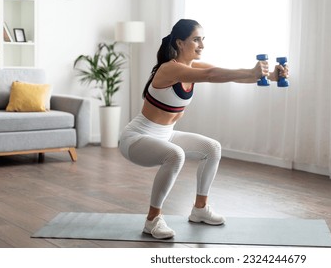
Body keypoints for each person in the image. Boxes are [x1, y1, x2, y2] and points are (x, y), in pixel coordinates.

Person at [119, 19, 288, 239]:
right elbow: (212, 76)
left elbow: (226, 74)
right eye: (196, 39)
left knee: (212, 148)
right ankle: (153, 220)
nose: (201, 45)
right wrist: (254, 71)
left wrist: (271, 76)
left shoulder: (192, 68)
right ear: (180, 43)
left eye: (203, 40)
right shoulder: (169, 69)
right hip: (136, 139)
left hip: (165, 135)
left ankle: (200, 209)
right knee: (175, 154)